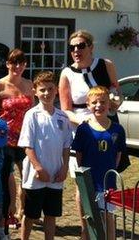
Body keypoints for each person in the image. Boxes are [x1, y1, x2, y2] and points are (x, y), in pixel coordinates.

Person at [59, 29, 129, 238]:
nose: (76, 51)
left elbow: (116, 92)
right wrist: (85, 122)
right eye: (72, 48)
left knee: (107, 177)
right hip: (82, 130)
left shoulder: (105, 64)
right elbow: (65, 109)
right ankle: (86, 229)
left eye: (81, 46)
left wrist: (116, 102)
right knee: (84, 181)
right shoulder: (67, 73)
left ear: (90, 47)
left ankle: (108, 228)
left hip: (107, 126)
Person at [17, 71, 73, 240]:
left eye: (50, 89)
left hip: (55, 175)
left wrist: (64, 168)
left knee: (51, 214)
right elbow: (27, 145)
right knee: (31, 214)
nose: (46, 93)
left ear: (56, 90)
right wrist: (38, 167)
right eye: (42, 90)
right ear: (35, 91)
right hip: (36, 176)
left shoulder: (63, 117)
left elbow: (66, 146)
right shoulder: (32, 115)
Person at [71, 86, 126, 240]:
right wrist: (82, 181)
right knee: (89, 223)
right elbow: (79, 156)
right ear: (88, 105)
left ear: (109, 104)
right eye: (94, 102)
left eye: (103, 102)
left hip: (108, 184)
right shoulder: (84, 129)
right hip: (89, 183)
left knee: (108, 220)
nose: (98, 105)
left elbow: (117, 156)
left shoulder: (117, 129)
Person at [0, 48, 34, 230]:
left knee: (26, 177)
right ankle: (8, 211)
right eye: (13, 62)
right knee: (6, 177)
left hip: (25, 138)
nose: (17, 66)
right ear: (7, 64)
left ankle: (23, 210)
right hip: (5, 139)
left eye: (21, 62)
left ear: (25, 65)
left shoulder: (29, 84)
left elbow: (33, 112)